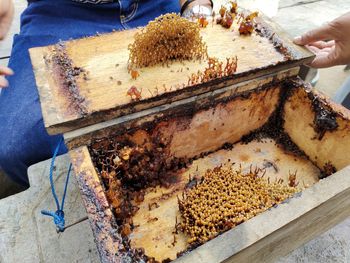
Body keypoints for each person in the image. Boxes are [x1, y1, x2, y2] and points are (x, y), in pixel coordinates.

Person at [0, 0, 213, 188]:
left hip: (154, 8)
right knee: (16, 146)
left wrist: (196, 5)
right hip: (60, 14)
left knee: (207, 97)